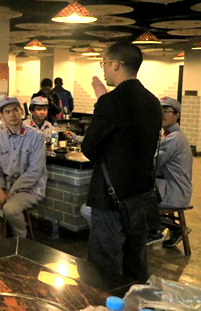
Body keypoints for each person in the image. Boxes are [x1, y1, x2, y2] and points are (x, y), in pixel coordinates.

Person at [81, 41, 162, 281]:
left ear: (116, 64)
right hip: (141, 196)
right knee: (135, 263)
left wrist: (101, 101)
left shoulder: (111, 101)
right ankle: (134, 302)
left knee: (104, 266)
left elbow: (89, 148)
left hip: (110, 196)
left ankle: (106, 303)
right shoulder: (153, 101)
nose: (104, 69)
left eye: (104, 63)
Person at [0, 97, 47, 238]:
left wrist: (12, 191)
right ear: (2, 116)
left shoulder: (36, 137)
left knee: (10, 209)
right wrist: (0, 190)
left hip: (30, 188)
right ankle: (3, 232)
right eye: (7, 112)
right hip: (5, 186)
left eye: (15, 110)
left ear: (21, 111)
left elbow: (35, 171)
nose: (12, 115)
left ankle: (21, 240)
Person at [146, 97, 193, 248]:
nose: (162, 115)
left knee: (134, 199)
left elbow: (153, 163)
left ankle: (155, 231)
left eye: (166, 111)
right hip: (177, 190)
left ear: (177, 115)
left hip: (173, 193)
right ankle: (176, 229)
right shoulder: (172, 135)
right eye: (160, 111)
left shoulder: (174, 138)